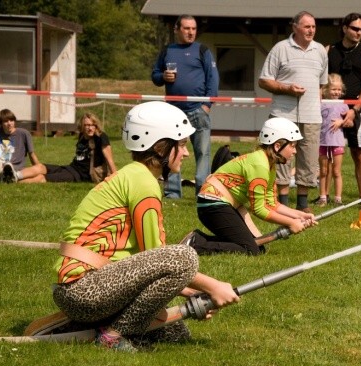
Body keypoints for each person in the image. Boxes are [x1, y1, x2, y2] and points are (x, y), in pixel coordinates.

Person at [52, 101, 239, 352]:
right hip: (85, 290)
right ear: (161, 147)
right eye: (181, 144)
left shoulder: (135, 175)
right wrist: (213, 286)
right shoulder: (143, 183)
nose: (186, 153)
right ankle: (113, 336)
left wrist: (191, 293)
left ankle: (78, 329)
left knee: (175, 334)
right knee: (185, 256)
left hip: (87, 289)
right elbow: (163, 258)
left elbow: (154, 266)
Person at [182, 117, 317, 256]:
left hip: (223, 205)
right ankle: (195, 244)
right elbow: (259, 209)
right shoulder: (260, 165)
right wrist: (290, 223)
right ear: (277, 146)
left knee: (258, 247)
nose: (295, 151)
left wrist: (300, 215)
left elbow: (271, 204)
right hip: (212, 206)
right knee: (250, 249)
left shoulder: (268, 164)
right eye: (292, 146)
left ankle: (198, 240)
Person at [258, 11, 328, 214]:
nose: (311, 30)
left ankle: (303, 204)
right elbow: (264, 80)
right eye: (307, 26)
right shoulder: (280, 49)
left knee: (308, 158)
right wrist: (287, 88)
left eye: (313, 27)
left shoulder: (320, 52)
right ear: (295, 27)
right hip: (283, 115)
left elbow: (321, 85)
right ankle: (282, 202)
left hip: (312, 116)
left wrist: (318, 108)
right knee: (281, 157)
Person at [151, 14, 219, 199]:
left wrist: (207, 105)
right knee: (172, 151)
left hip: (199, 110)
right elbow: (155, 75)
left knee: (202, 152)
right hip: (173, 111)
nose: (191, 32)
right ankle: (173, 192)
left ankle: (202, 192)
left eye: (193, 29)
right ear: (177, 29)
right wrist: (163, 77)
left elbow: (213, 78)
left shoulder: (202, 50)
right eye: (187, 28)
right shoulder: (167, 51)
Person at [326, 12, 361, 198]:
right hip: (331, 109)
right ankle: (325, 195)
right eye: (355, 28)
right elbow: (321, 81)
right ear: (345, 28)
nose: (359, 32)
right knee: (328, 154)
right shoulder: (329, 50)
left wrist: (354, 111)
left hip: (357, 110)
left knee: (358, 153)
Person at [9, 113, 117, 183]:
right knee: (41, 167)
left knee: (43, 177)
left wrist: (116, 178)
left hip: (81, 175)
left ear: (96, 125)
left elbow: (110, 159)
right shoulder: (81, 136)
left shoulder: (101, 137)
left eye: (92, 125)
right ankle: (14, 175)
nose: (90, 128)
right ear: (82, 126)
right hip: (71, 168)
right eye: (87, 125)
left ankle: (12, 181)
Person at [315, 73, 347, 206]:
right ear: (326, 89)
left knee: (336, 171)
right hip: (323, 142)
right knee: (323, 171)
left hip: (337, 142)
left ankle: (338, 198)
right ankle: (323, 197)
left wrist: (341, 121)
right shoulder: (320, 104)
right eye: (334, 89)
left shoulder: (344, 105)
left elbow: (348, 120)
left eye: (339, 89)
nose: (337, 92)